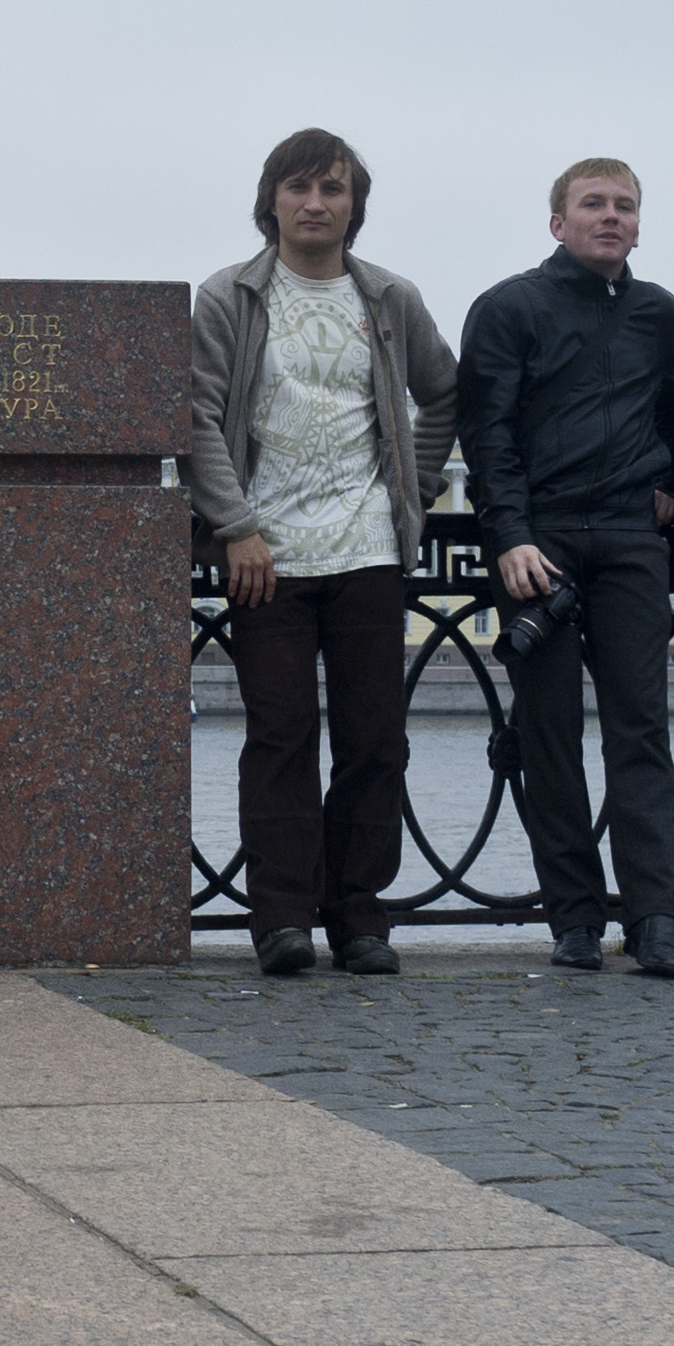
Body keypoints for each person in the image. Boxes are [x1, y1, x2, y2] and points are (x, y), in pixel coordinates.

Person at [188, 128, 460, 977]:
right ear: (271, 201)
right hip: (263, 557)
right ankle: (280, 919)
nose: (315, 203)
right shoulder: (228, 297)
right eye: (299, 188)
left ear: (354, 205)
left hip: (368, 549)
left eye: (332, 189)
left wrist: (411, 488)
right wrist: (236, 525)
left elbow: (445, 393)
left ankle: (359, 917)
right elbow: (198, 418)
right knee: (281, 737)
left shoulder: (390, 298)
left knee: (374, 741)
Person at [456, 159, 674, 975]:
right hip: (539, 541)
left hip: (629, 536)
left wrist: (673, 480)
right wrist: (510, 535)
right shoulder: (509, 307)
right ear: (558, 223)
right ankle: (576, 919)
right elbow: (487, 433)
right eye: (593, 204)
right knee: (549, 735)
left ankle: (656, 917)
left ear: (639, 225)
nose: (611, 216)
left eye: (625, 206)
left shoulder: (658, 313)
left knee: (641, 730)